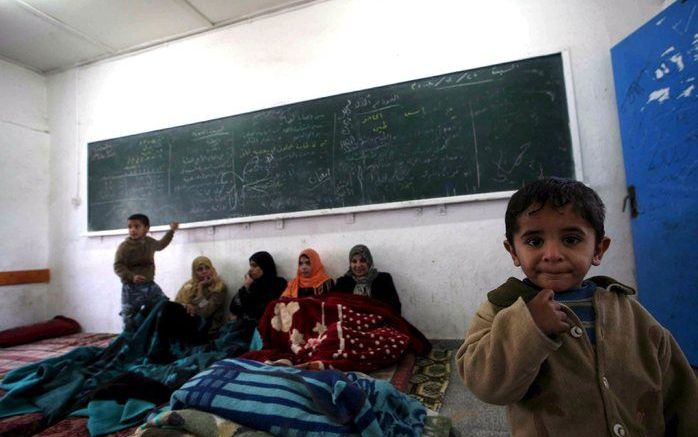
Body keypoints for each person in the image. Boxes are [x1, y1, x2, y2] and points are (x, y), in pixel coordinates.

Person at [456, 177, 697, 436]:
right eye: (534, 242)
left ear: (599, 249)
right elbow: (486, 385)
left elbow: (682, 398)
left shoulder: (628, 312)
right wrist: (528, 327)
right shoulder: (501, 308)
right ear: (513, 251)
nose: (552, 254)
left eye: (571, 240)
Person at [113, 213, 178, 331]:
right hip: (131, 287)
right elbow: (118, 266)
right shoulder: (125, 246)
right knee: (129, 317)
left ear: (146, 228)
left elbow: (161, 244)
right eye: (130, 227)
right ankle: (128, 341)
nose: (133, 230)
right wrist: (132, 276)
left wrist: (171, 231)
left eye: (137, 226)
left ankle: (156, 335)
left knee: (163, 304)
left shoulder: (149, 242)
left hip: (149, 285)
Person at [334, 244, 401, 314]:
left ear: (369, 262)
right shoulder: (342, 283)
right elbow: (336, 308)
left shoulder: (383, 279)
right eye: (354, 261)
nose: (358, 265)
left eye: (363, 260)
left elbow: (395, 307)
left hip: (379, 322)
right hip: (351, 322)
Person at [174, 256, 228, 335]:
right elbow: (176, 304)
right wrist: (186, 305)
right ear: (194, 272)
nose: (204, 271)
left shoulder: (219, 288)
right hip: (188, 324)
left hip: (207, 329)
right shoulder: (189, 285)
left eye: (207, 268)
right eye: (200, 269)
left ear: (212, 269)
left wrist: (200, 287)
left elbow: (204, 313)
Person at [230, 251, 287, 323]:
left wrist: (248, 292)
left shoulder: (279, 284)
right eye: (250, 266)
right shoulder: (252, 284)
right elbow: (233, 308)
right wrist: (246, 288)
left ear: (264, 266)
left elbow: (261, 311)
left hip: (264, 326)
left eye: (254, 266)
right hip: (244, 326)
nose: (250, 269)